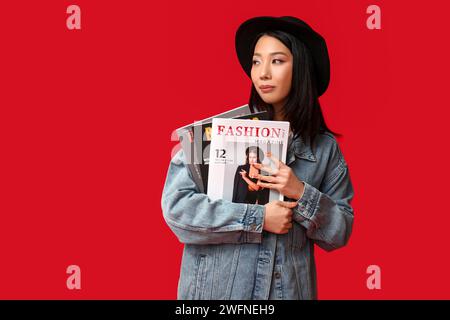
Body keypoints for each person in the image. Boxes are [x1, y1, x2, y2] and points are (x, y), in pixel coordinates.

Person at [161, 16, 355, 299]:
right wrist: (259, 218)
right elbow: (177, 209)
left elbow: (339, 233)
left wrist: (300, 193)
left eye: (277, 61)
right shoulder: (214, 134)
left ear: (300, 68)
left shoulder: (324, 149)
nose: (263, 73)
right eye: (256, 61)